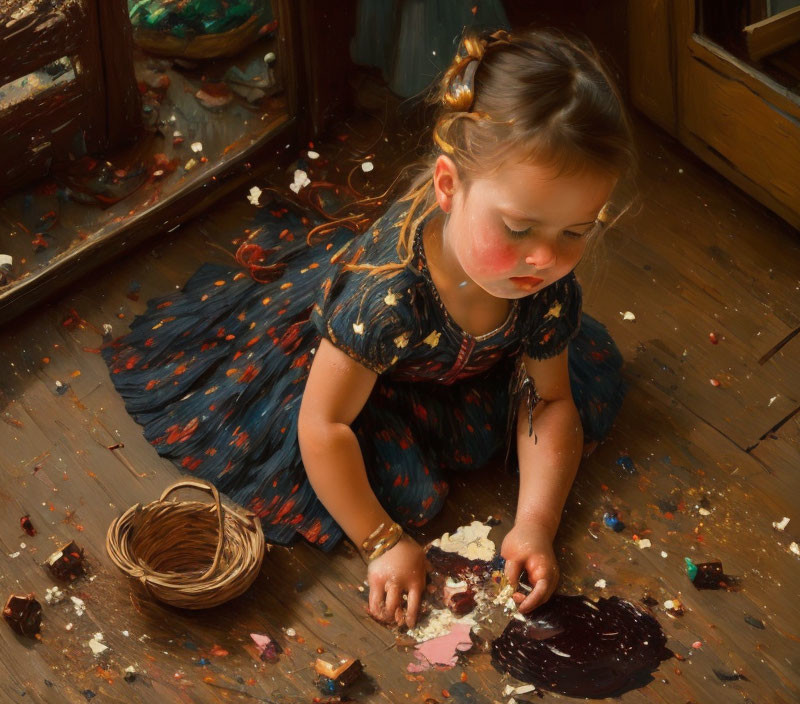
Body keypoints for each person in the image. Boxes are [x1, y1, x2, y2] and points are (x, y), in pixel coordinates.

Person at [103, 27, 635, 629]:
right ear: (448, 187)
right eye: (518, 228)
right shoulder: (385, 299)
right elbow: (323, 423)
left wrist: (536, 522)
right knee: (375, 472)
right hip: (362, 379)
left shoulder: (543, 288)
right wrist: (380, 540)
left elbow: (550, 399)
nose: (544, 258)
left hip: (460, 367)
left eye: (575, 231)